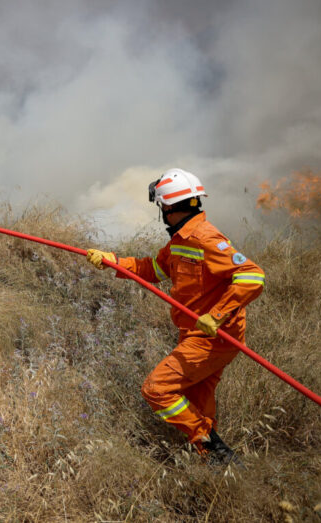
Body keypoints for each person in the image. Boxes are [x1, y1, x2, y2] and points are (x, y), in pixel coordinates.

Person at [85, 168, 265, 465]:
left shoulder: (205, 237)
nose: (162, 212)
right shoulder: (181, 240)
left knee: (157, 389)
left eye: (161, 207)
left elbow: (252, 276)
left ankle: (214, 448)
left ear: (168, 207)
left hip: (212, 337)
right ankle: (216, 463)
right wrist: (112, 261)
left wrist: (217, 316)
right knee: (197, 399)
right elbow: (153, 270)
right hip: (196, 334)